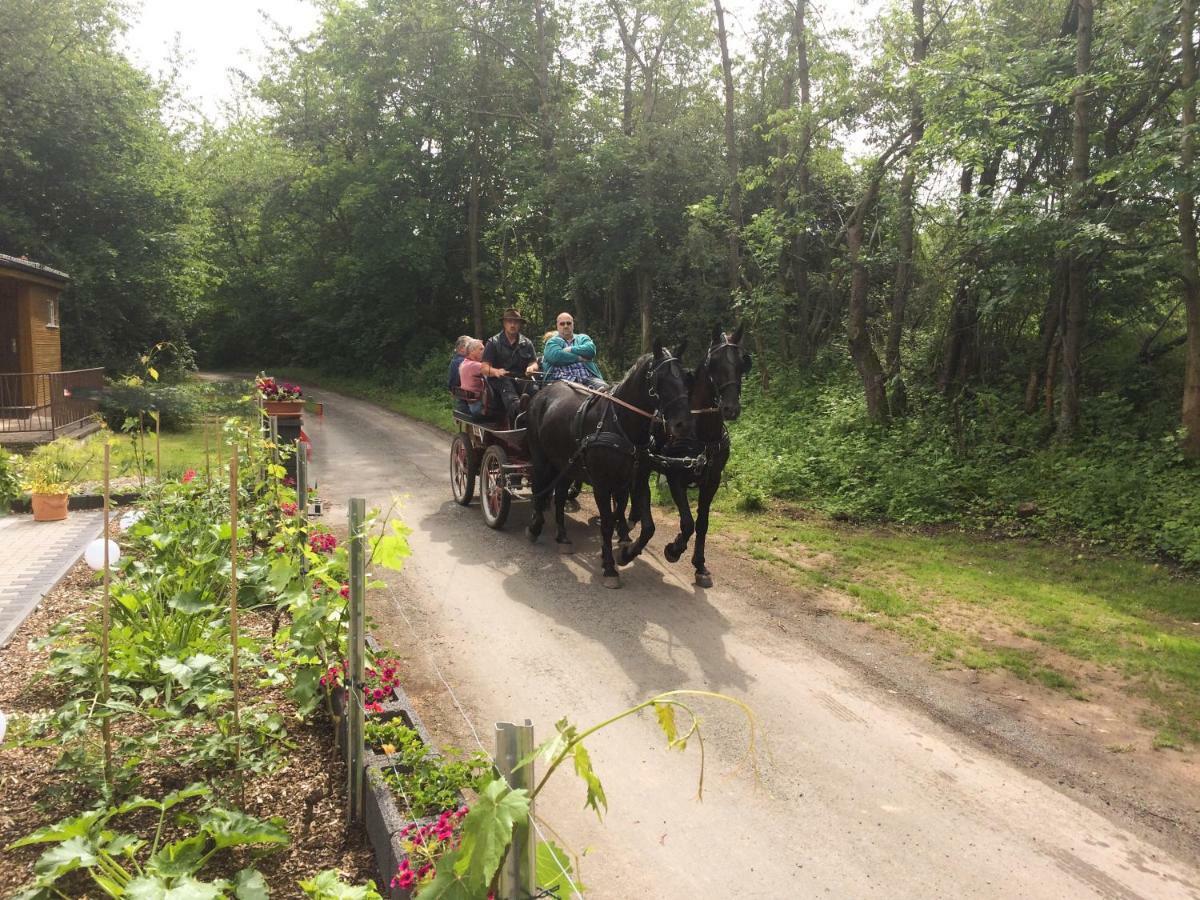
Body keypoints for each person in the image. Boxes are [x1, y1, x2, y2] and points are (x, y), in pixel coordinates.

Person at [481, 308, 538, 422]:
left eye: (516, 322)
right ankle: (519, 414)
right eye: (509, 321)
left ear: (520, 324)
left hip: (522, 378)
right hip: (500, 379)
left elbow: (534, 362)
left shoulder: (527, 343)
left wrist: (532, 368)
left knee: (536, 388)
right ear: (504, 323)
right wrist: (496, 372)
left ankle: (538, 413)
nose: (513, 325)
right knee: (507, 386)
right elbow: (484, 368)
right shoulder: (493, 342)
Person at [542, 312, 605, 389]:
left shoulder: (582, 338)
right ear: (557, 326)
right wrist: (579, 358)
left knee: (607, 392)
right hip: (562, 381)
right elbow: (556, 356)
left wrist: (570, 349)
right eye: (562, 324)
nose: (566, 326)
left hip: (589, 378)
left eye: (568, 323)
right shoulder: (552, 341)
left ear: (573, 325)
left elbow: (590, 350)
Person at [458, 339, 487, 415]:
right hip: (476, 408)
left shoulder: (464, 363)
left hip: (467, 404)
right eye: (481, 349)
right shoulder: (474, 365)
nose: (484, 351)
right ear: (472, 351)